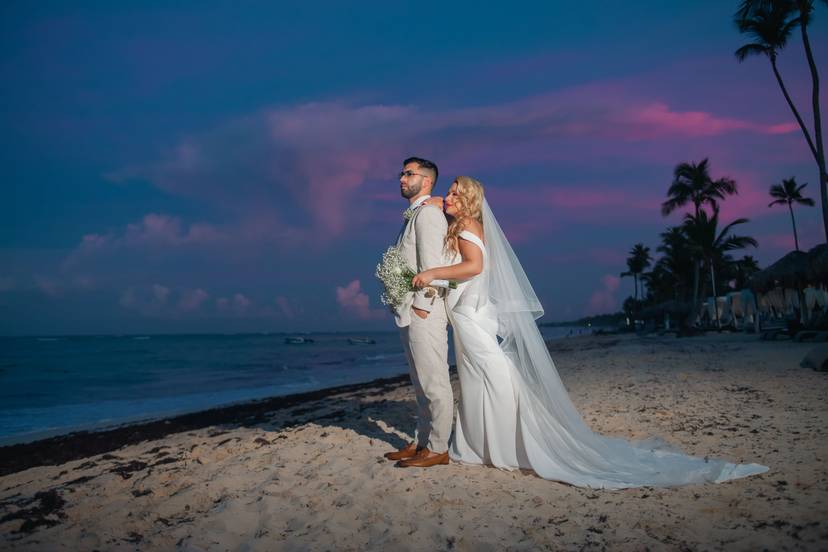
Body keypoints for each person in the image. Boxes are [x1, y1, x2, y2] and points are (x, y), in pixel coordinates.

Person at [411, 176, 769, 488]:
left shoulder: (471, 225)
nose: (450, 198)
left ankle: (508, 442)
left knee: (495, 375)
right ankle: (480, 445)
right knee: (477, 380)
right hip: (468, 314)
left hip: (471, 317)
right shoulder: (465, 226)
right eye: (449, 193)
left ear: (471, 200)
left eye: (457, 193)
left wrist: (431, 275)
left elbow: (474, 267)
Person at [382, 157, 456, 468]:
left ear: (426, 181)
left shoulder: (428, 215)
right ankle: (422, 441)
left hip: (423, 311)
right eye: (401, 172)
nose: (401, 178)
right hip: (408, 311)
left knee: (434, 382)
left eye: (409, 173)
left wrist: (422, 307)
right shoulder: (414, 215)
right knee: (420, 383)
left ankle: (438, 449)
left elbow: (434, 269)